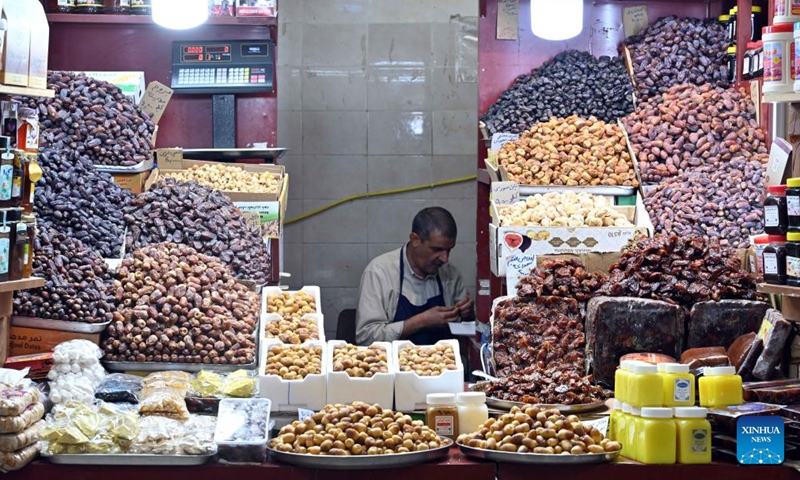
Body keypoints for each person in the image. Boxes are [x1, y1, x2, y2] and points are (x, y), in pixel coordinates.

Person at [356, 206, 474, 345]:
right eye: (437, 249)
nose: (445, 258)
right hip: (392, 364)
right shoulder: (379, 272)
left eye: (449, 250)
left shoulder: (450, 273)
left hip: (443, 364)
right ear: (415, 239)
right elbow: (366, 338)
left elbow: (469, 331)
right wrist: (422, 321)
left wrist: (468, 315)